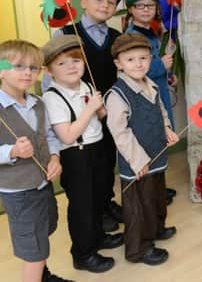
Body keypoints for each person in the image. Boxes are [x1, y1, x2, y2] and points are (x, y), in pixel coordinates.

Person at [42, 35, 123, 273]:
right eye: (62, 63)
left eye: (76, 60)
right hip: (76, 155)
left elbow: (100, 116)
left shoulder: (86, 86)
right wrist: (89, 109)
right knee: (82, 206)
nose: (71, 67)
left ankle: (97, 238)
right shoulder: (52, 97)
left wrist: (100, 109)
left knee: (98, 197)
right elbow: (66, 135)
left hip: (96, 147)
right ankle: (83, 254)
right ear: (49, 71)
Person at [104, 33, 179, 265]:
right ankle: (139, 248)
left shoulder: (152, 84)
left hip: (156, 153)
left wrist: (167, 128)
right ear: (118, 63)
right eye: (131, 59)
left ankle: (156, 228)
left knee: (156, 196)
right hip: (137, 161)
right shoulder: (117, 94)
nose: (138, 64)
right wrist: (137, 160)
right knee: (139, 204)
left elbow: (161, 111)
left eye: (143, 58)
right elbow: (120, 132)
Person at [59, 0, 125, 232]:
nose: (105, 5)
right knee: (89, 164)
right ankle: (95, 209)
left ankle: (107, 202)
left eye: (111, 2)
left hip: (109, 109)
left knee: (108, 158)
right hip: (80, 113)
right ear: (83, 1)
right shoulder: (66, 33)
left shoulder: (116, 36)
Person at [0, 40, 69, 282]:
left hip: (43, 184)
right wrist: (11, 152)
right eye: (19, 66)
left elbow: (49, 136)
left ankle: (43, 275)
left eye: (33, 67)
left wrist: (54, 157)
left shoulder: (38, 103)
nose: (27, 72)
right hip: (19, 191)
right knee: (33, 249)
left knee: (44, 232)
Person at [124, 0, 178, 204]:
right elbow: (135, 71)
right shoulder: (132, 36)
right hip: (145, 96)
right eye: (140, 6)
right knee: (151, 140)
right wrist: (161, 67)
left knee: (161, 138)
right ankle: (152, 191)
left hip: (159, 92)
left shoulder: (152, 33)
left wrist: (168, 74)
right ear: (131, 10)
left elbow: (159, 61)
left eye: (150, 6)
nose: (146, 10)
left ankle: (159, 186)